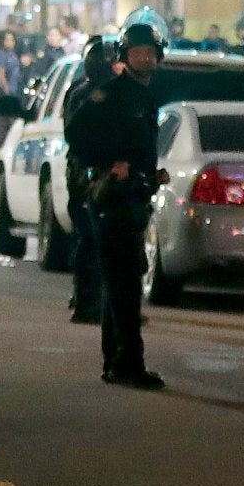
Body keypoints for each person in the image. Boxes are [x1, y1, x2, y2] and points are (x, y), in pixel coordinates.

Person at [65, 21, 168, 390]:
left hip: (134, 199)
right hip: (111, 200)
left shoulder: (145, 97)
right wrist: (110, 163)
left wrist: (149, 174)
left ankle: (117, 361)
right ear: (125, 56)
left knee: (122, 284)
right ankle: (128, 363)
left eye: (151, 53)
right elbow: (75, 136)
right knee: (123, 286)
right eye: (139, 52)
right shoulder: (109, 95)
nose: (146, 58)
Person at [59, 35, 120, 325]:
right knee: (89, 240)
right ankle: (86, 301)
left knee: (111, 243)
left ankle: (110, 303)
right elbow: (73, 133)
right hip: (86, 174)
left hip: (111, 175)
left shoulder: (123, 93)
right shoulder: (83, 95)